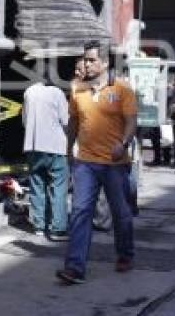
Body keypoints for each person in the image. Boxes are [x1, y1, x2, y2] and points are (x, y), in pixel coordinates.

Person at [56, 40, 137, 285]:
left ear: (105, 63)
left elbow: (131, 121)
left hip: (115, 163)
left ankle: (125, 254)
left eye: (91, 60)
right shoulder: (78, 90)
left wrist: (122, 144)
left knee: (121, 213)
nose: (86, 64)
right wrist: (68, 148)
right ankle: (75, 267)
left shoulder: (122, 89)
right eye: (85, 59)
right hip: (86, 163)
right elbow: (74, 122)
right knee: (80, 211)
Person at [22, 64, 70, 241]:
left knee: (37, 186)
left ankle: (39, 226)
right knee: (58, 188)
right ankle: (58, 229)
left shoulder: (29, 92)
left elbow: (25, 121)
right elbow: (65, 120)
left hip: (34, 146)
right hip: (56, 147)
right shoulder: (57, 93)